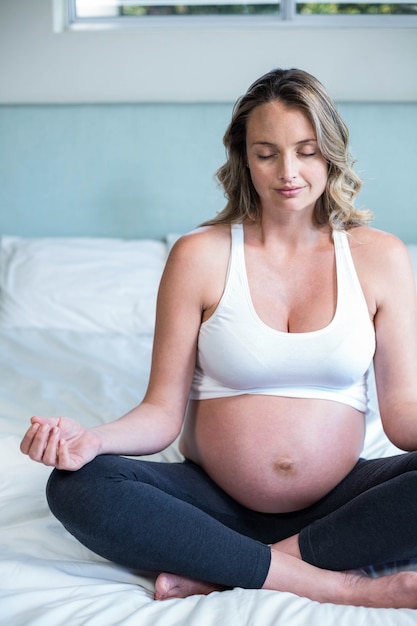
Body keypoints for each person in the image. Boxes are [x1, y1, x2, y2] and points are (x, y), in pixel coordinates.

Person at [20, 68, 417, 609]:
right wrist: (93, 440)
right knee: (78, 485)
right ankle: (335, 583)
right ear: (243, 158)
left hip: (339, 504)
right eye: (266, 152)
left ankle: (229, 566)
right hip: (211, 503)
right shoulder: (199, 255)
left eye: (306, 150)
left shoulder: (382, 257)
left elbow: (402, 415)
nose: (289, 172)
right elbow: (161, 414)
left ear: (331, 152)